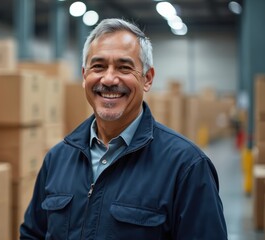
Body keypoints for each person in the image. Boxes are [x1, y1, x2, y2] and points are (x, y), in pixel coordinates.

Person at [20, 18, 228, 239]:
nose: (109, 79)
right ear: (84, 76)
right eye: (98, 66)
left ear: (147, 79)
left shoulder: (186, 167)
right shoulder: (57, 159)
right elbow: (33, 234)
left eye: (124, 67)